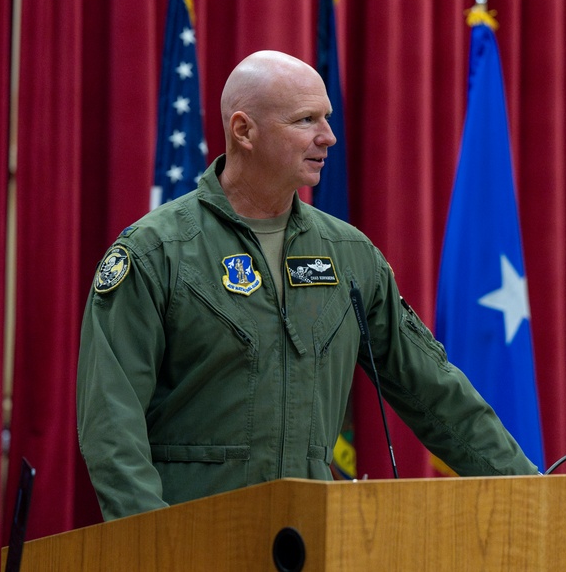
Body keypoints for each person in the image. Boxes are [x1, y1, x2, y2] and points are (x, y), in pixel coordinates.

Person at [76, 50, 538, 521]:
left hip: (311, 538)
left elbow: (436, 393)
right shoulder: (157, 251)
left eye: (327, 118)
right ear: (244, 131)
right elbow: (112, 424)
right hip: (194, 535)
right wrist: (152, 545)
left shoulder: (350, 254)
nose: (328, 137)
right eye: (305, 120)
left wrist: (536, 496)